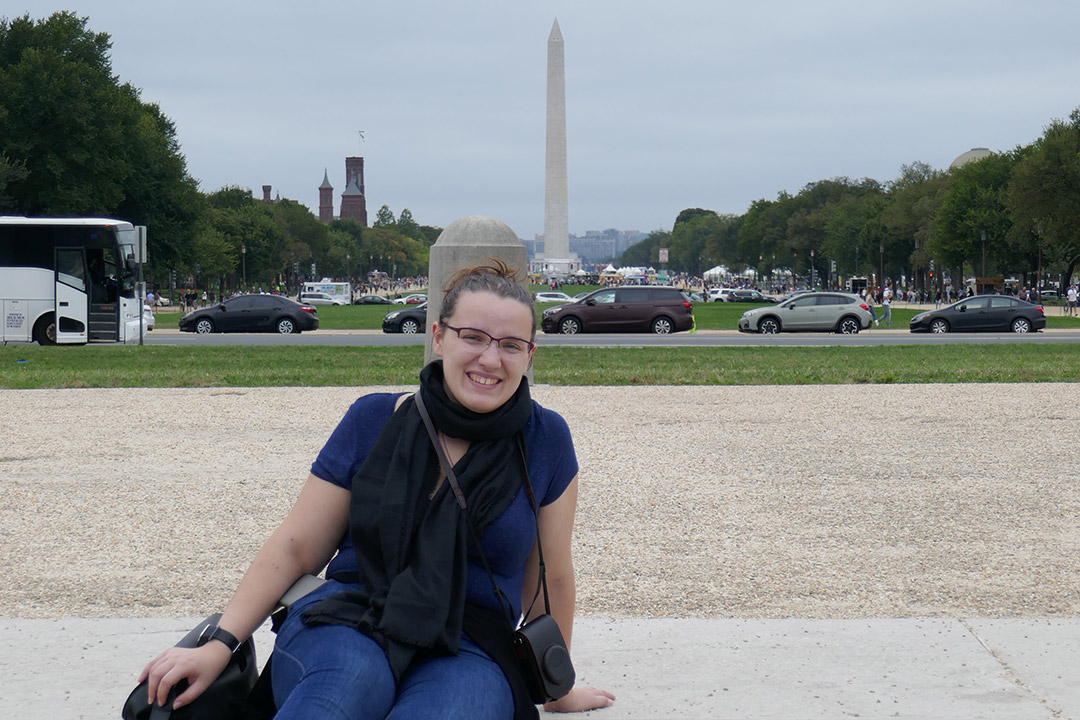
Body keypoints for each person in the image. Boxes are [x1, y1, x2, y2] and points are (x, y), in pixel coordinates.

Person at [138, 260, 615, 719]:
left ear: (530, 354)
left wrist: (558, 686)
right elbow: (297, 547)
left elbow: (551, 577)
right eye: (473, 337)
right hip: (352, 618)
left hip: (472, 645)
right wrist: (220, 645)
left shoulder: (544, 438)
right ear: (438, 336)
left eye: (510, 345)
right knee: (345, 687)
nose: (490, 359)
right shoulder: (372, 419)